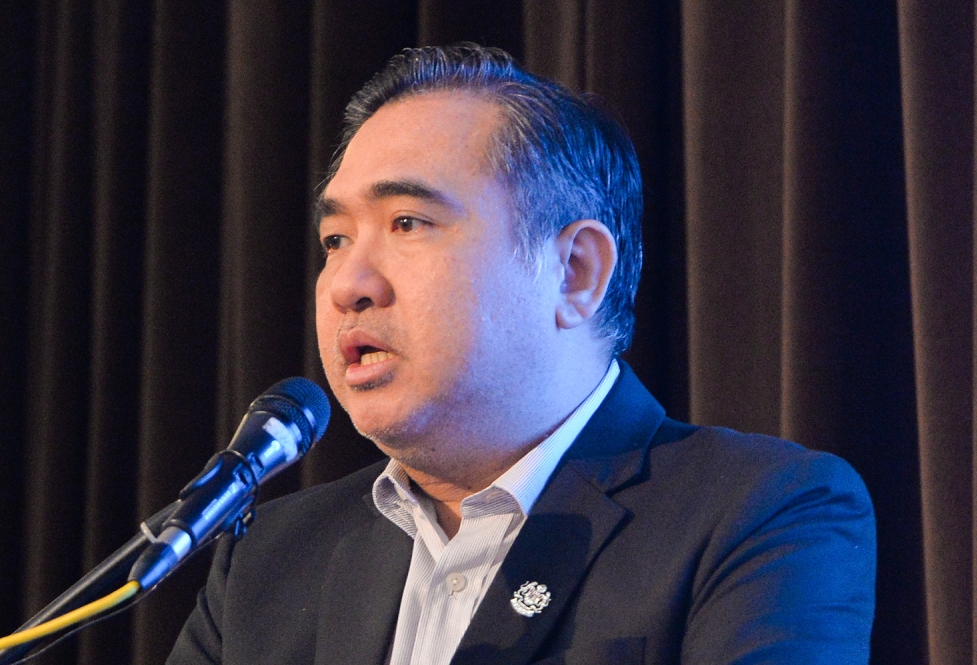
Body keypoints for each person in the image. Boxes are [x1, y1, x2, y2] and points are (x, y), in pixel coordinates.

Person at [168, 44, 875, 664]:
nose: (348, 284)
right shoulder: (266, 562)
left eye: (407, 222)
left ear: (576, 273)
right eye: (335, 240)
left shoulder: (756, 515)